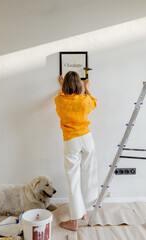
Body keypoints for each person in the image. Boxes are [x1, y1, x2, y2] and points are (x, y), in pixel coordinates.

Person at [54, 71, 98, 231]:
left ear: (64, 85)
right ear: (80, 84)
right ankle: (85, 211)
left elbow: (61, 99)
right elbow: (93, 103)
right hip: (87, 139)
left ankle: (74, 221)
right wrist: (87, 89)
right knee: (88, 174)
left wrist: (61, 87)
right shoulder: (85, 99)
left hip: (71, 140)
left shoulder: (60, 100)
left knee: (73, 180)